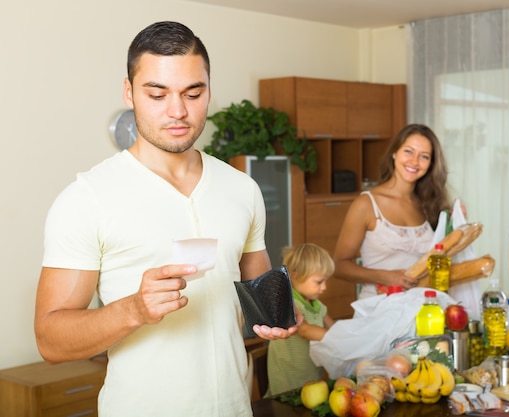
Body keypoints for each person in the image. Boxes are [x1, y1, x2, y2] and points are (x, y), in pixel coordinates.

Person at [34, 21, 298, 417]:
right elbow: (50, 341)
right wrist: (134, 309)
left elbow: (257, 293)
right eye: (157, 94)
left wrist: (277, 314)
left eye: (194, 93)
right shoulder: (87, 198)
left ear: (209, 89)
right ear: (129, 93)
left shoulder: (242, 189)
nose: (178, 111)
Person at [333, 124, 455, 299]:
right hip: (377, 310)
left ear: (430, 164)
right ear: (394, 152)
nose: (414, 161)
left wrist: (454, 223)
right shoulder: (366, 204)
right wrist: (386, 277)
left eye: (424, 156)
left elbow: (442, 259)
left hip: (422, 309)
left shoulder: (430, 205)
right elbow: (339, 266)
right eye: (408, 151)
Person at [264, 243, 335, 397]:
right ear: (295, 277)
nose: (324, 287)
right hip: (287, 383)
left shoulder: (317, 305)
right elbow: (304, 330)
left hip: (311, 380)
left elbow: (333, 328)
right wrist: (340, 339)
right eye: (319, 282)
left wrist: (344, 335)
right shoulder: (288, 303)